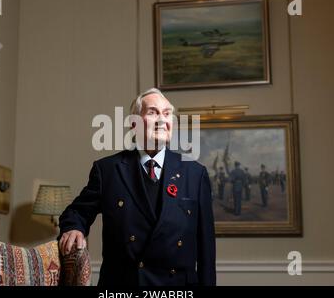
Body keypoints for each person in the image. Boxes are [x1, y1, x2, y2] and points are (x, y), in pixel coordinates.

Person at [58, 88, 216, 286]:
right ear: (134, 124)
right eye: (152, 112)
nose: (162, 119)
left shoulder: (195, 173)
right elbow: (77, 212)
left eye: (167, 114)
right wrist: (74, 228)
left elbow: (206, 250)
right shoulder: (108, 170)